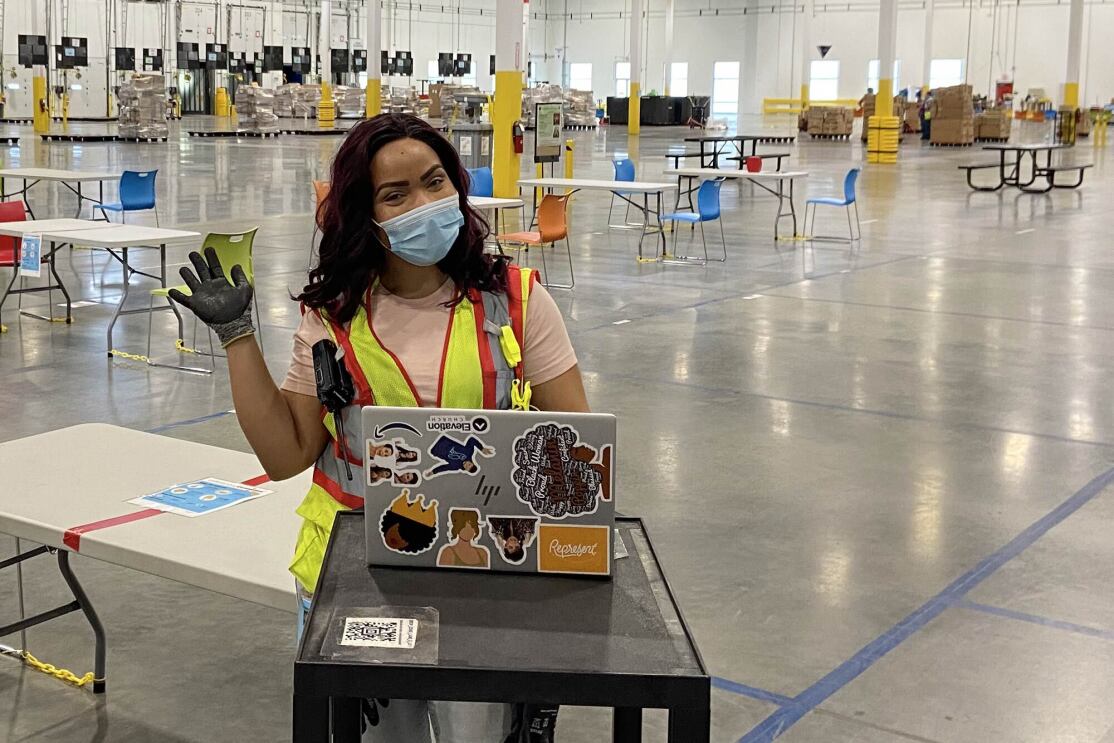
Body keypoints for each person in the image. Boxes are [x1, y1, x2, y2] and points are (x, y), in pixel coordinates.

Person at [168, 112, 587, 742]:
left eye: (435, 182)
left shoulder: (519, 300)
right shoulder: (331, 317)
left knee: (478, 733)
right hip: (358, 574)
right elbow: (287, 455)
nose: (423, 203)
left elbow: (575, 453)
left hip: (485, 568)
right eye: (396, 194)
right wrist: (237, 337)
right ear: (365, 213)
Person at [423, 433, 494, 477]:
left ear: (466, 470)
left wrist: (432, 472)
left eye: (467, 467)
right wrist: (481, 448)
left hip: (435, 449)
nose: (467, 465)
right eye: (469, 464)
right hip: (441, 440)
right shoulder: (469, 452)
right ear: (472, 462)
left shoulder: (455, 466)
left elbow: (443, 468)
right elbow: (471, 440)